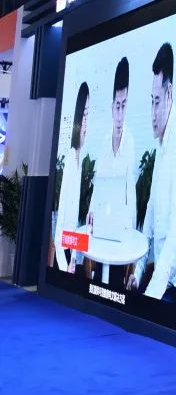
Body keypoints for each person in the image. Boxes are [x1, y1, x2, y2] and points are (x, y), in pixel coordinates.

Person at [127, 43, 176, 306]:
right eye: (151, 102)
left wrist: (153, 291)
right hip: (160, 277)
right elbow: (151, 212)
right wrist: (138, 273)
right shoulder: (162, 142)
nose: (152, 114)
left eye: (157, 102)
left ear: (170, 93)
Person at [87, 58, 137, 282]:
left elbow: (130, 191)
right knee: (99, 275)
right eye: (117, 105)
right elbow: (98, 182)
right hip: (102, 223)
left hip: (120, 226)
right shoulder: (104, 141)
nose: (120, 112)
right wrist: (91, 210)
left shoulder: (130, 142)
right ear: (111, 107)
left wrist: (130, 229)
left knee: (115, 279)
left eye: (124, 105)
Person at [54, 82, 89, 274]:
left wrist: (75, 257)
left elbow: (76, 224)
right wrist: (64, 264)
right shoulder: (69, 159)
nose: (86, 124)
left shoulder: (80, 160)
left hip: (73, 252)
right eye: (84, 116)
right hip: (64, 253)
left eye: (88, 116)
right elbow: (61, 222)